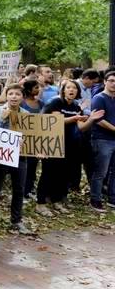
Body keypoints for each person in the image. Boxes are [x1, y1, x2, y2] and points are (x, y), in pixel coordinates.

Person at [38, 80, 103, 216]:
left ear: (78, 92)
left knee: (63, 174)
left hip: (69, 145)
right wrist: (73, 118)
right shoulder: (55, 102)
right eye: (68, 88)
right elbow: (55, 121)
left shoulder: (75, 106)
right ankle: (41, 203)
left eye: (74, 88)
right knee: (48, 173)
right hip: (51, 142)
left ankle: (57, 201)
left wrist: (91, 119)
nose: (71, 90)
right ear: (63, 90)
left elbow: (81, 127)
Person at [0, 84, 30, 235]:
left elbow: (32, 136)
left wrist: (35, 148)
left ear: (22, 97)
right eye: (11, 94)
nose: (14, 96)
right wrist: (2, 119)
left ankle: (16, 220)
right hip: (2, 155)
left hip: (21, 155)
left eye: (17, 94)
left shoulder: (26, 114)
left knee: (19, 189)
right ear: (6, 96)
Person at [89, 71, 115, 212]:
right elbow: (99, 120)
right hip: (102, 139)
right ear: (105, 82)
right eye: (111, 80)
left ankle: (112, 199)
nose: (114, 84)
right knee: (101, 172)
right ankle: (95, 200)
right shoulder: (99, 98)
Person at [20, 80, 44, 199]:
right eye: (36, 87)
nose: (38, 89)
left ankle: (29, 189)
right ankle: (22, 190)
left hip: (37, 139)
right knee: (26, 165)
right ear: (29, 89)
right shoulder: (21, 104)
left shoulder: (41, 103)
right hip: (24, 139)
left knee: (33, 165)